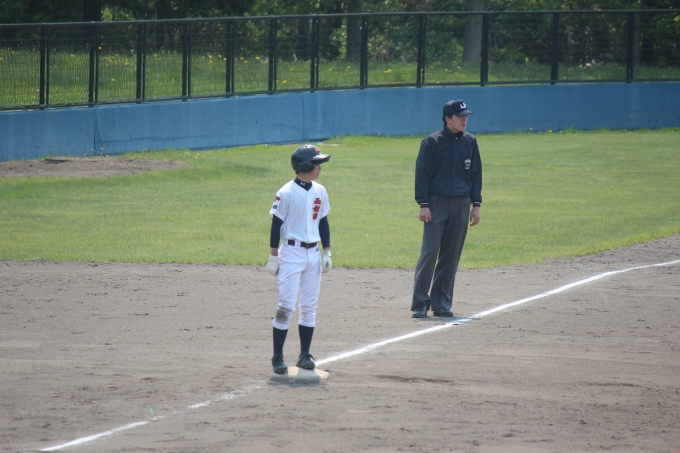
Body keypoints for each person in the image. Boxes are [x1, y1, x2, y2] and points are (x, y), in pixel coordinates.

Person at [265, 144, 333, 374]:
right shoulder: (285, 192)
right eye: (317, 164)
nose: (320, 168)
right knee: (286, 306)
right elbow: (276, 225)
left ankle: (304, 355)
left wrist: (327, 251)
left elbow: (323, 222)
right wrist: (273, 256)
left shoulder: (320, 190)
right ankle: (277, 357)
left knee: (309, 306)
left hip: (313, 254)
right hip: (291, 254)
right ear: (304, 166)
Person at [411, 99, 482, 318]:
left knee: (451, 255)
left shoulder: (470, 142)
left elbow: (476, 174)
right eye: (460, 116)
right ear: (447, 119)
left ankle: (441, 303)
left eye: (466, 116)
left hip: (461, 203)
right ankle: (420, 303)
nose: (464, 120)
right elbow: (422, 174)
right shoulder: (432, 142)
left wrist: (476, 204)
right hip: (436, 203)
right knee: (430, 252)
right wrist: (423, 204)